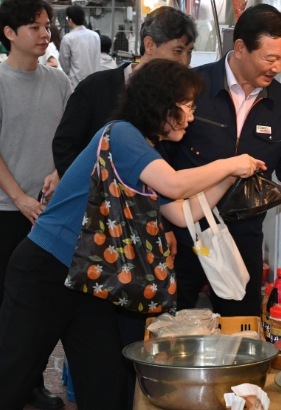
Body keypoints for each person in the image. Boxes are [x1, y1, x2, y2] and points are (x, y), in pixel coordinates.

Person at [0, 59, 265, 409]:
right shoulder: (122, 134)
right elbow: (174, 184)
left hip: (90, 277)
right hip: (46, 268)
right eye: (187, 106)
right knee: (12, 377)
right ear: (162, 105)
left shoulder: (143, 151)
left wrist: (228, 179)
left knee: (105, 385)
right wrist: (230, 163)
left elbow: (182, 213)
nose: (191, 115)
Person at [161, 3, 281, 317]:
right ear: (240, 48)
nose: (277, 67)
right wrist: (161, 226)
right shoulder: (192, 87)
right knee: (170, 324)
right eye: (270, 58)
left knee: (242, 329)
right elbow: (161, 159)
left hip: (243, 235)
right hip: (183, 231)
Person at [0, 0, 72, 410]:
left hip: (48, 214)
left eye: (47, 26)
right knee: (7, 304)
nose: (45, 34)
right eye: (35, 27)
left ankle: (31, 382)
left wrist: (59, 173)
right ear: (10, 33)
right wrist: (20, 198)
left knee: (40, 306)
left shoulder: (58, 82)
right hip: (7, 210)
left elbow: (71, 140)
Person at [53, 5, 198, 178]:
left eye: (189, 52)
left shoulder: (181, 100)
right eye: (178, 51)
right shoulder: (95, 87)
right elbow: (65, 146)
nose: (185, 62)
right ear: (149, 45)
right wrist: (92, 187)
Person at [59, 5, 100, 89]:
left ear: (70, 20)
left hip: (75, 84)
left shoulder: (68, 38)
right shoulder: (95, 36)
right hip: (94, 82)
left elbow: (64, 64)